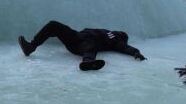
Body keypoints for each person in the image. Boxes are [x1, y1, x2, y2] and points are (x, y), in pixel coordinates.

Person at [18, 20, 147, 71]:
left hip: (85, 44)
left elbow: (125, 48)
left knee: (91, 48)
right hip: (76, 37)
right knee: (53, 25)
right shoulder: (107, 31)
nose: (120, 32)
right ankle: (31, 46)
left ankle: (88, 63)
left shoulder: (117, 40)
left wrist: (135, 52)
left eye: (122, 33)